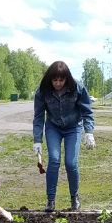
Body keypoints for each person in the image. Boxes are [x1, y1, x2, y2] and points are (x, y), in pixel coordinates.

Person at [32, 61, 95, 212]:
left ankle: (74, 197)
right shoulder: (42, 91)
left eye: (61, 80)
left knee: (71, 163)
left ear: (67, 78)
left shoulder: (77, 88)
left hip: (73, 127)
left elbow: (87, 111)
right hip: (53, 127)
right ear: (50, 79)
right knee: (54, 160)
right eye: (55, 80)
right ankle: (50, 200)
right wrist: (37, 140)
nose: (58, 83)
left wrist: (89, 132)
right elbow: (39, 116)